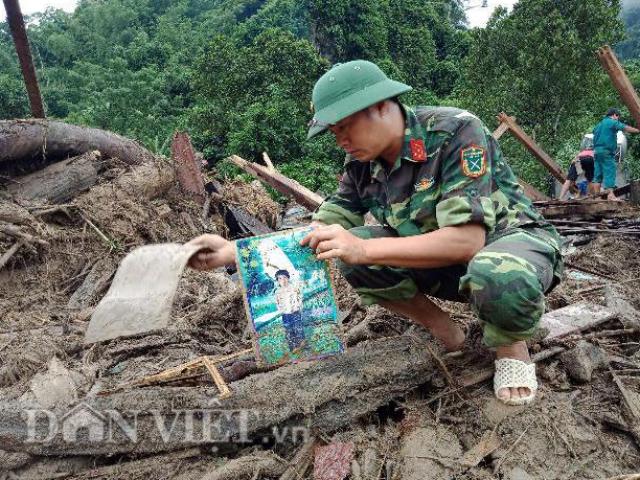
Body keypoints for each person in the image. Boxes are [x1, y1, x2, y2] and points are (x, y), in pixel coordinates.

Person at [187, 60, 563, 406]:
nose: (341, 141)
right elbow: (321, 230)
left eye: (345, 127)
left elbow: (467, 241)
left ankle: (512, 347)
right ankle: (449, 334)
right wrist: (233, 252)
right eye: (334, 132)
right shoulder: (360, 164)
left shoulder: (455, 131)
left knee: (492, 270)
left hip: (510, 248)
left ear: (382, 105)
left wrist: (363, 249)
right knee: (349, 250)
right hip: (445, 265)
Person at [591, 108, 639, 201]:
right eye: (618, 117)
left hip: (597, 151)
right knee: (610, 171)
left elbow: (595, 132)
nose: (617, 119)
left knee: (598, 174)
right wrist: (637, 130)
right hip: (606, 151)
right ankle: (611, 195)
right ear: (614, 115)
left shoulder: (599, 124)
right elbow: (625, 127)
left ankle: (597, 197)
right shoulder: (612, 122)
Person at [273, 269, 305, 351]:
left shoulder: (293, 288)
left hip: (295, 311)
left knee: (298, 327)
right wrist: (281, 310)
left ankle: (301, 343)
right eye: (279, 278)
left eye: (284, 277)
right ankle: (293, 346)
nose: (282, 280)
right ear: (277, 281)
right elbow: (277, 302)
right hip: (285, 314)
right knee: (288, 329)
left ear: (288, 278)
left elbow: (299, 298)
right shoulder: (277, 292)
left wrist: (298, 306)